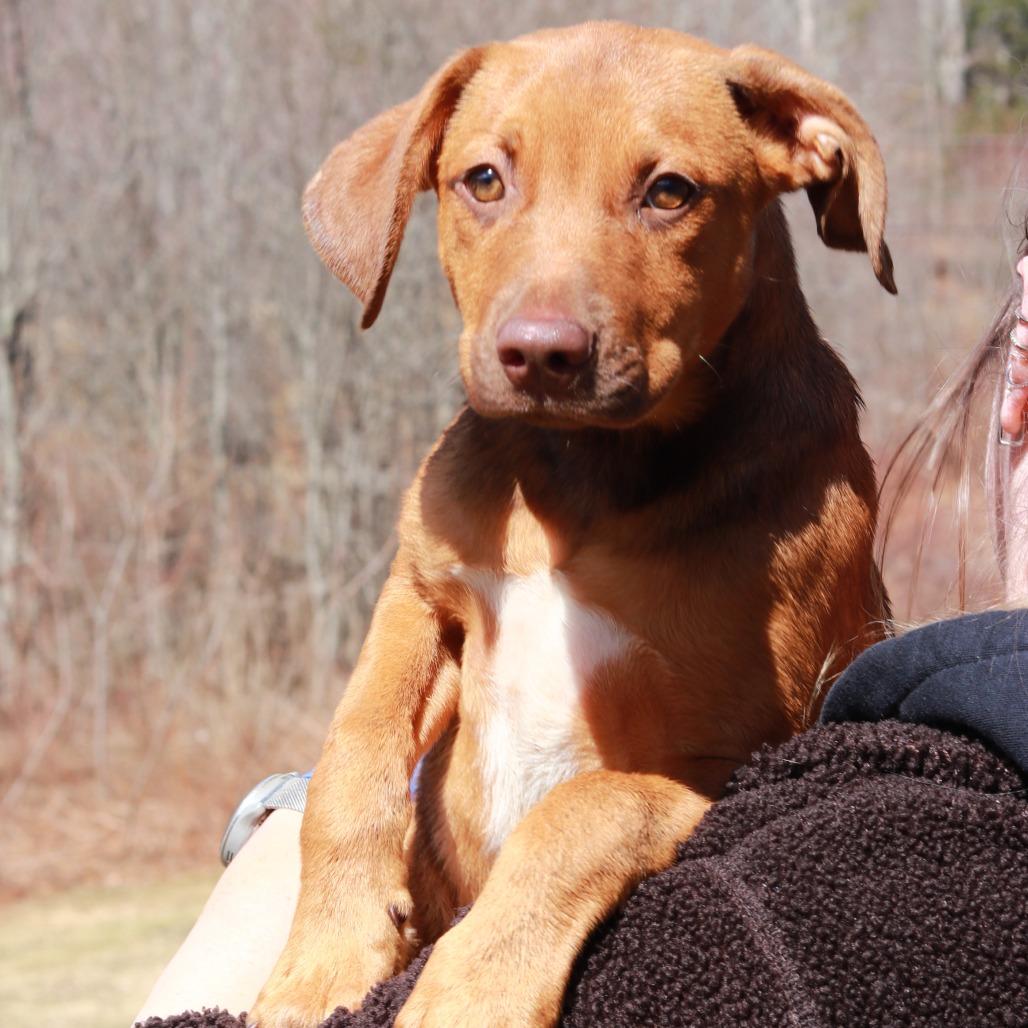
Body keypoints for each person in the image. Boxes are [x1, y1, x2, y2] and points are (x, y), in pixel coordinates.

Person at [135, 242, 1028, 1027]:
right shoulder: (930, 744)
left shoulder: (825, 902)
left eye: (663, 196)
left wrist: (264, 867)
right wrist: (330, 819)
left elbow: (740, 791)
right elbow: (423, 596)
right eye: (486, 184)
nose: (544, 321)